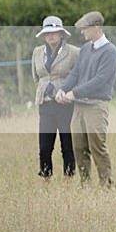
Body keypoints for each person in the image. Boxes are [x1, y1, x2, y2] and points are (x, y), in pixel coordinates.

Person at [55, 11, 116, 187]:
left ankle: (106, 185)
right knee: (78, 146)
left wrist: (74, 93)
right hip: (79, 107)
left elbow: (99, 80)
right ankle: (85, 183)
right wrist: (63, 89)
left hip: (96, 105)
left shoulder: (110, 51)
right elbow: (75, 74)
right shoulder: (85, 49)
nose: (82, 32)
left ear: (97, 27)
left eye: (85, 28)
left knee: (97, 146)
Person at [32, 16, 80, 180]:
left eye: (54, 32)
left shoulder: (74, 52)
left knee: (67, 145)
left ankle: (69, 179)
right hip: (45, 105)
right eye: (47, 33)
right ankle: (46, 179)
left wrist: (68, 93)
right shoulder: (37, 52)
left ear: (61, 34)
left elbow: (79, 76)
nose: (50, 36)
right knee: (45, 147)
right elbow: (37, 77)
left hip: (66, 105)